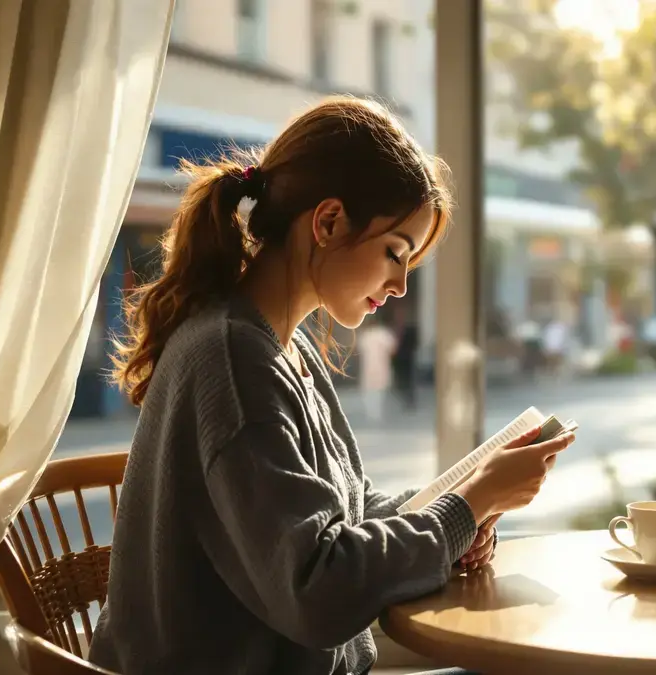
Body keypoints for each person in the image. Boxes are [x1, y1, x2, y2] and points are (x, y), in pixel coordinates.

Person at [89, 96, 575, 675]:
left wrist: (464, 512)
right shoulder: (234, 360)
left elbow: (349, 517)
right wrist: (468, 506)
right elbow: (318, 592)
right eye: (395, 253)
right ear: (327, 222)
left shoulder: (279, 346)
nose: (399, 285)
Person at [358, 321, 397, 420]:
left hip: (368, 365)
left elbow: (359, 350)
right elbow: (393, 349)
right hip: (381, 365)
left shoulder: (366, 335)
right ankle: (377, 413)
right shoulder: (384, 334)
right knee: (380, 390)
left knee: (369, 390)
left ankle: (371, 412)